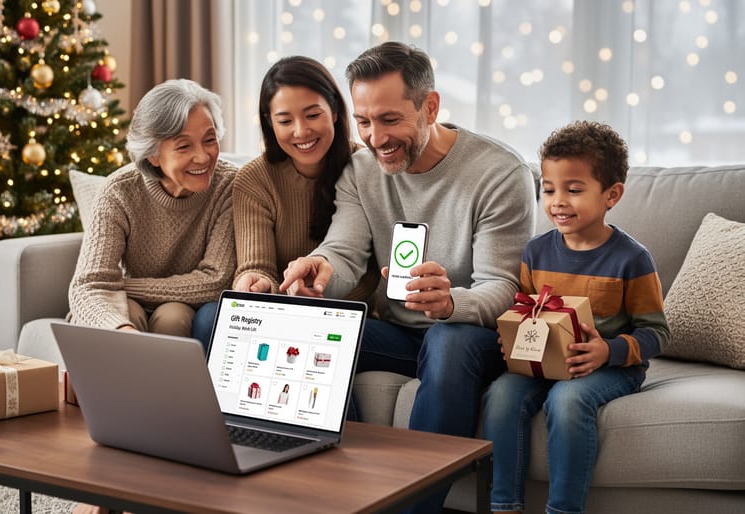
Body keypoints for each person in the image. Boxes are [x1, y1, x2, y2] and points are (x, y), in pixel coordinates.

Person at [279, 42, 537, 511]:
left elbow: (505, 287)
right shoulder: (360, 171)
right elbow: (345, 251)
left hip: (472, 337)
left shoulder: (499, 173)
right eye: (363, 121)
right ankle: (335, 495)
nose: (375, 137)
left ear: (430, 106)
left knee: (448, 341)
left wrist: (451, 303)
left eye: (390, 119)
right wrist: (320, 268)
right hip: (398, 333)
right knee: (290, 327)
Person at [481, 121, 670, 514]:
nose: (558, 201)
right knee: (501, 395)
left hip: (610, 367)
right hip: (545, 363)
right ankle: (503, 506)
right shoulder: (535, 252)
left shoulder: (632, 259)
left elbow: (657, 332)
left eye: (574, 190)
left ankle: (563, 509)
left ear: (611, 195)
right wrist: (513, 336)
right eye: (549, 190)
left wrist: (609, 352)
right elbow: (525, 309)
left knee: (567, 402)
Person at [68, 78, 235, 352]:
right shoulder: (119, 191)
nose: (203, 157)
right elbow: (88, 285)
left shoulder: (229, 185)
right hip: (130, 307)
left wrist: (123, 286)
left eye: (209, 140)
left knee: (173, 317)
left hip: (183, 306)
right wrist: (121, 329)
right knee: (124, 315)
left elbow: (217, 280)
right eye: (184, 146)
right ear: (153, 154)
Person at [232, 55, 377, 301]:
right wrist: (257, 283)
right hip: (281, 307)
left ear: (334, 111)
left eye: (312, 115)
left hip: (349, 313)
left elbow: (369, 267)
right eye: (285, 121)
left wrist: (320, 296)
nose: (301, 131)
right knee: (208, 319)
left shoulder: (366, 168)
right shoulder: (254, 180)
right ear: (269, 122)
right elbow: (256, 266)